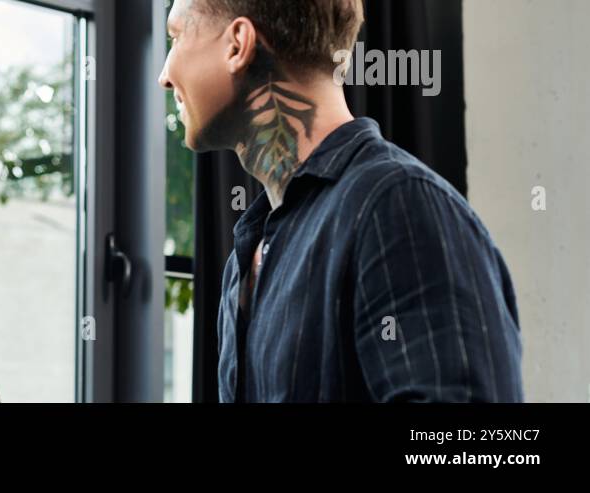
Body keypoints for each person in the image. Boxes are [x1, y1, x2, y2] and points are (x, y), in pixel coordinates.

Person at [158, 0, 522, 402]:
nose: (165, 76)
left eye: (175, 37)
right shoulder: (250, 252)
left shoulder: (399, 208)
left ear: (237, 45)